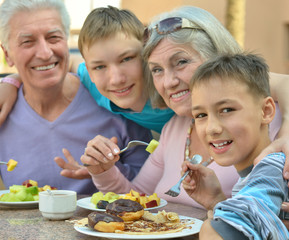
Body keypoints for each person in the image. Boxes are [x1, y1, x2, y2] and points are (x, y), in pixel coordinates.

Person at [80, 5, 286, 210]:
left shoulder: (269, 122)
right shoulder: (176, 128)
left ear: (217, 58)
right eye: (157, 70)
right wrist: (103, 171)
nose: (168, 82)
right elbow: (137, 200)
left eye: (180, 62)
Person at [0, 0, 152, 198]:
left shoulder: (113, 98)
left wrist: (105, 170)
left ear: (67, 40)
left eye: (53, 38)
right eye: (27, 41)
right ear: (7, 54)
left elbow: (149, 188)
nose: (44, 52)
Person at [183, 53, 289, 239]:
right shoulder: (254, 175)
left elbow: (225, 232)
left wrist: (215, 228)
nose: (212, 128)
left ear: (266, 111)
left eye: (227, 110)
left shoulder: (272, 168)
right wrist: (216, 201)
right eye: (200, 115)